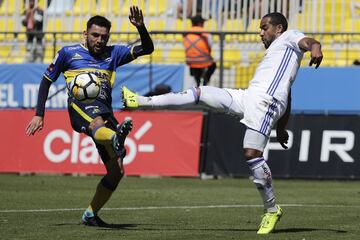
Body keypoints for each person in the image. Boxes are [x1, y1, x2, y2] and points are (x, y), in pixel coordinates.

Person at [122, 12, 322, 234]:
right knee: (200, 92)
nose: (260, 32)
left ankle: (272, 209)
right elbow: (289, 96)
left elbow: (309, 42)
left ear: (279, 29)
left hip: (266, 104)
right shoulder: (277, 57)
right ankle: (141, 101)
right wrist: (282, 128)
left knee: (251, 154)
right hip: (247, 97)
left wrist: (315, 47)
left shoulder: (289, 37)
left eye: (265, 27)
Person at [25, 6, 154, 227]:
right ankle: (114, 137)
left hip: (106, 112)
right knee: (96, 123)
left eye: (104, 37)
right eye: (95, 35)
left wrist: (140, 27)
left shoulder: (114, 54)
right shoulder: (68, 53)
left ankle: (91, 214)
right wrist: (39, 114)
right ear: (85, 34)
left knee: (117, 172)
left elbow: (147, 49)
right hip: (80, 107)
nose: (99, 40)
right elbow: (47, 80)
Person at [183, 15, 216, 87]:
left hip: (190, 60)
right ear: (200, 23)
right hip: (204, 60)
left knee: (195, 66)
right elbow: (211, 44)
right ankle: (205, 80)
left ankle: (197, 82)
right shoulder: (206, 33)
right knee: (213, 65)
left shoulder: (186, 33)